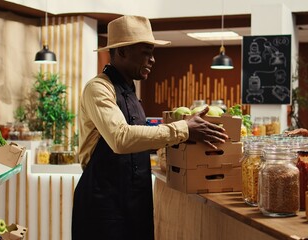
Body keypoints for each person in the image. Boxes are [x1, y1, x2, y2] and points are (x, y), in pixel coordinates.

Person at [71, 15, 229, 240]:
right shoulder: (98, 89)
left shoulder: (131, 93)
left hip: (137, 202)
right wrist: (183, 129)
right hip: (103, 205)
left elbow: (140, 140)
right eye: (146, 52)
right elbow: (121, 138)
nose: (153, 60)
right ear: (123, 51)